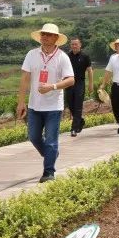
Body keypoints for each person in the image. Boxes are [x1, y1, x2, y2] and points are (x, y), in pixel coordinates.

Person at [16, 23, 75, 183]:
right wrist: (21, 102)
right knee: (33, 137)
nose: (45, 37)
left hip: (54, 106)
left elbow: (70, 80)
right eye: (43, 34)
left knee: (51, 140)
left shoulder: (62, 57)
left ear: (56, 38)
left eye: (48, 35)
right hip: (35, 105)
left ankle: (49, 172)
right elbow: (25, 79)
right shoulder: (32, 54)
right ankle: (51, 154)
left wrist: (52, 86)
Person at [65, 37, 92, 137]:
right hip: (68, 82)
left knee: (78, 105)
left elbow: (90, 70)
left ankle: (74, 128)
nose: (74, 46)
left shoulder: (85, 56)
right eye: (72, 44)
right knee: (70, 103)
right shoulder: (67, 56)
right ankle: (80, 120)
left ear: (80, 45)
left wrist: (90, 84)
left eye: (76, 44)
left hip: (80, 83)